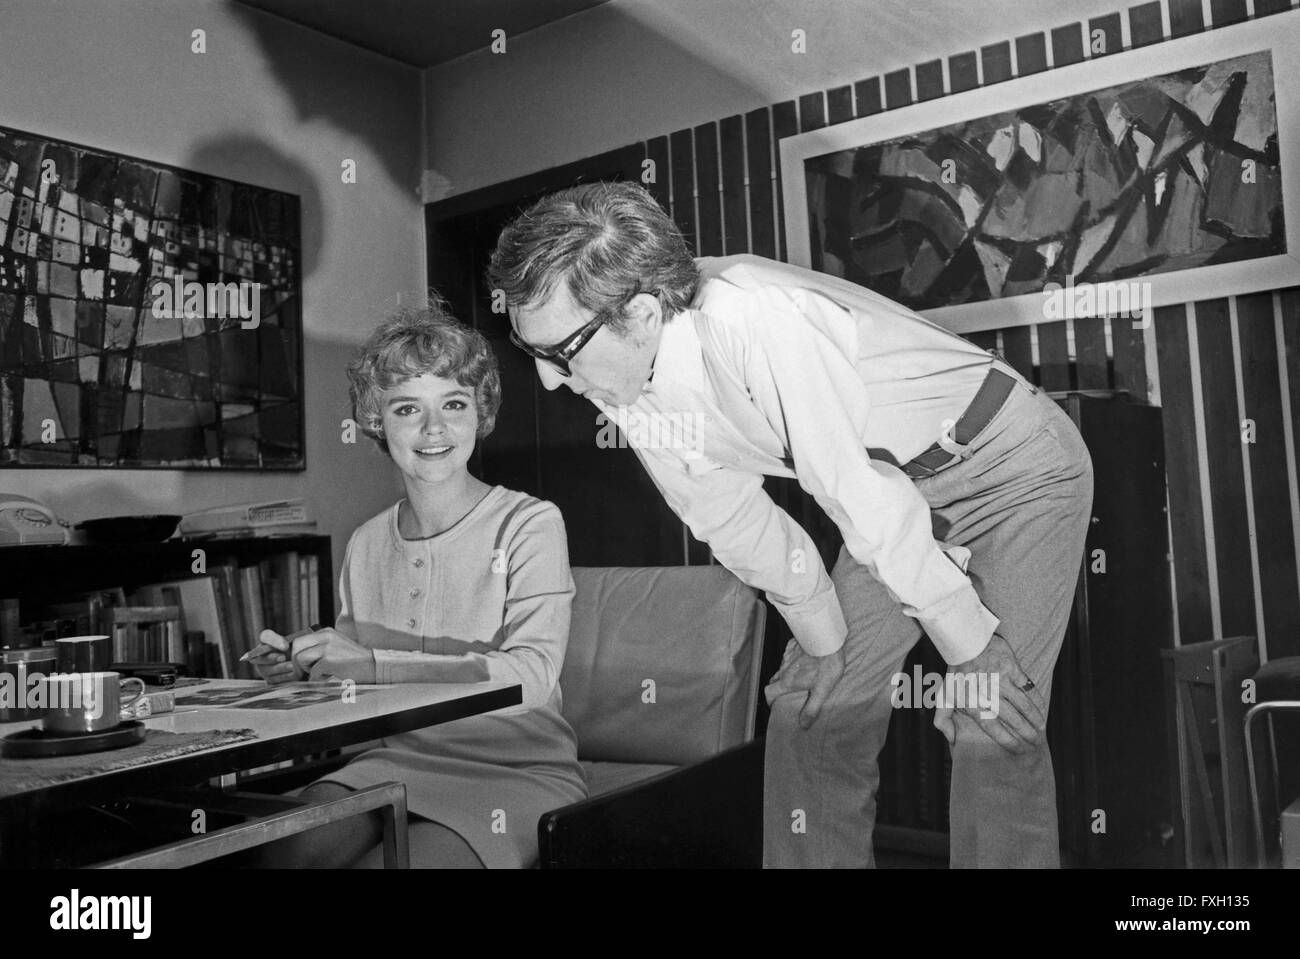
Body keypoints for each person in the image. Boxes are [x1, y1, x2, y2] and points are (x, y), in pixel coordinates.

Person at [486, 181, 1094, 868]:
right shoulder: (622, 377)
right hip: (892, 493)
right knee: (811, 704)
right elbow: (727, 513)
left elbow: (854, 490)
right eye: (529, 349)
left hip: (1013, 464)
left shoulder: (756, 317)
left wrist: (970, 645)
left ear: (643, 311)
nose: (548, 380)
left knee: (991, 713)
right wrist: (822, 639)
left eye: (560, 350)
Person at [249, 303, 586, 868]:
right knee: (279, 857)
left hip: (515, 772)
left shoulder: (531, 523)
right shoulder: (364, 543)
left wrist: (370, 663)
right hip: (388, 763)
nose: (435, 428)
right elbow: (358, 697)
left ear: (481, 415)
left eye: (454, 404)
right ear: (377, 422)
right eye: (408, 408)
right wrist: (308, 672)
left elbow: (531, 677)